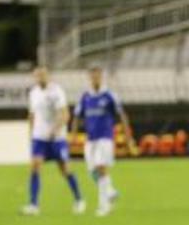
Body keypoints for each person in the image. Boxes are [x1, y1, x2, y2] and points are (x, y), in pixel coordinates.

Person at [20, 67, 84, 216]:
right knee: (35, 167)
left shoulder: (56, 91)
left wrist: (55, 130)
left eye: (42, 75)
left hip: (56, 138)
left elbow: (65, 114)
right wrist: (31, 134)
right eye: (37, 75)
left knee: (65, 169)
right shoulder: (33, 93)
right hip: (39, 138)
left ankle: (79, 199)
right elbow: (32, 115)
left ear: (47, 76)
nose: (40, 77)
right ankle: (33, 205)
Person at [72, 66, 132, 217]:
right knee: (92, 170)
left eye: (98, 75)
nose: (95, 78)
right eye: (93, 75)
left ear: (101, 77)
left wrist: (128, 136)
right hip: (90, 139)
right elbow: (77, 116)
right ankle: (110, 191)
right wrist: (73, 135)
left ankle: (104, 207)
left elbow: (122, 115)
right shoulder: (85, 96)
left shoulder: (109, 95)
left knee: (101, 167)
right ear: (89, 78)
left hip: (105, 138)